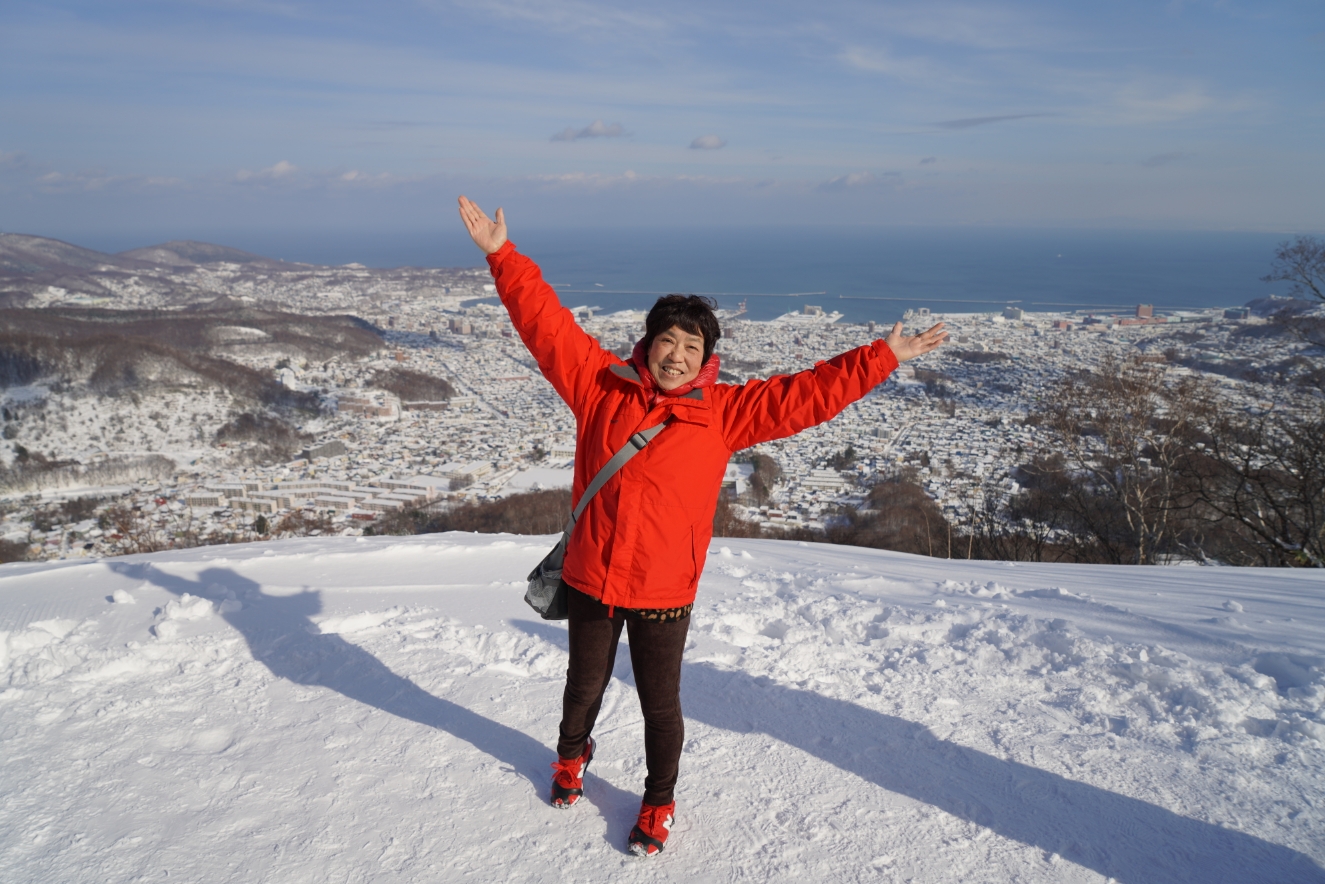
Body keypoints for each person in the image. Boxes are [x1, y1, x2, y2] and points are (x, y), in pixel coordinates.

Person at [457, 195, 947, 858]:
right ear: (647, 344)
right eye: (668, 341)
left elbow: (804, 396)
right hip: (593, 574)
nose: (677, 355)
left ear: (705, 357)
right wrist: (501, 255)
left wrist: (879, 356)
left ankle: (657, 801)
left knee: (661, 708)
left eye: (692, 346)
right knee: (582, 687)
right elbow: (544, 325)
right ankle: (570, 759)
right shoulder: (597, 386)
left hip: (663, 589)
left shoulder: (723, 414)